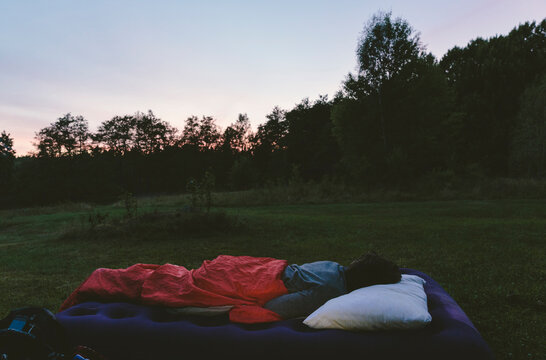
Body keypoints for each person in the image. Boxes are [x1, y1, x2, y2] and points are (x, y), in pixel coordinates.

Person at [264, 251, 401, 319]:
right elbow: (272, 309)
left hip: (264, 271)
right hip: (263, 278)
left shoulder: (331, 267)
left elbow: (276, 305)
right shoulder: (331, 289)